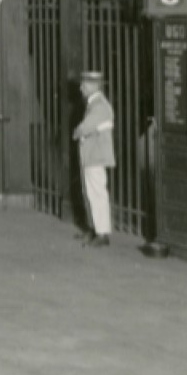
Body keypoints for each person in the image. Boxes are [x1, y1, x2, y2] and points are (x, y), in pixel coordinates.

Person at [73, 70, 117, 248]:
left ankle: (102, 233)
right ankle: (94, 228)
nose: (81, 87)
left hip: (95, 156)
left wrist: (79, 131)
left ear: (93, 86)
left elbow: (83, 128)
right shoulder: (94, 104)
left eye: (84, 84)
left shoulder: (99, 106)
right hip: (90, 156)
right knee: (90, 193)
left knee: (97, 194)